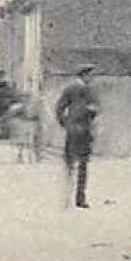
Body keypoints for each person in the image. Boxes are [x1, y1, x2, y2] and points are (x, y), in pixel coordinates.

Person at [54, 63, 100, 209]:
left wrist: (65, 123)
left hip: (74, 130)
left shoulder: (73, 89)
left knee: (72, 164)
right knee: (81, 165)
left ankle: (68, 196)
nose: (93, 78)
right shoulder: (84, 90)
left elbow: (59, 108)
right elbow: (93, 109)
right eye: (91, 75)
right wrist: (90, 112)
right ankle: (78, 198)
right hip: (81, 131)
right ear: (84, 75)